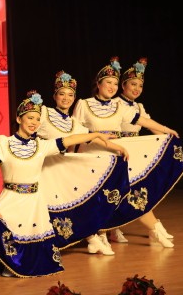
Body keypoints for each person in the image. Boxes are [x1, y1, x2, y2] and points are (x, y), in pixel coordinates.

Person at [0, 90, 119, 277]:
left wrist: (95, 135)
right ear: (19, 119)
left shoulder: (41, 145)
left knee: (31, 239)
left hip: (33, 202)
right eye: (30, 118)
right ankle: (9, 262)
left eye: (38, 119)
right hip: (10, 198)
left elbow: (69, 139)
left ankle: (16, 265)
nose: (34, 122)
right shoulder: (4, 142)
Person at [73, 57, 183, 248]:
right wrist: (71, 155)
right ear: (98, 84)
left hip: (115, 157)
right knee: (99, 199)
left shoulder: (119, 106)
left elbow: (143, 121)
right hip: (92, 158)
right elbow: (74, 133)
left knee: (129, 192)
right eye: (108, 82)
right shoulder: (84, 104)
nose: (112, 86)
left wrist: (166, 130)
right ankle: (99, 234)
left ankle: (153, 229)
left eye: (115, 83)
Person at [37, 71, 130, 256]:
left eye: (70, 95)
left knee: (76, 203)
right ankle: (86, 239)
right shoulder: (44, 113)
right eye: (62, 94)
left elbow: (92, 138)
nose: (66, 98)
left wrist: (117, 147)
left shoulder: (74, 123)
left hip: (62, 169)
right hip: (45, 169)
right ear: (55, 96)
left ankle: (92, 238)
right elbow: (27, 127)